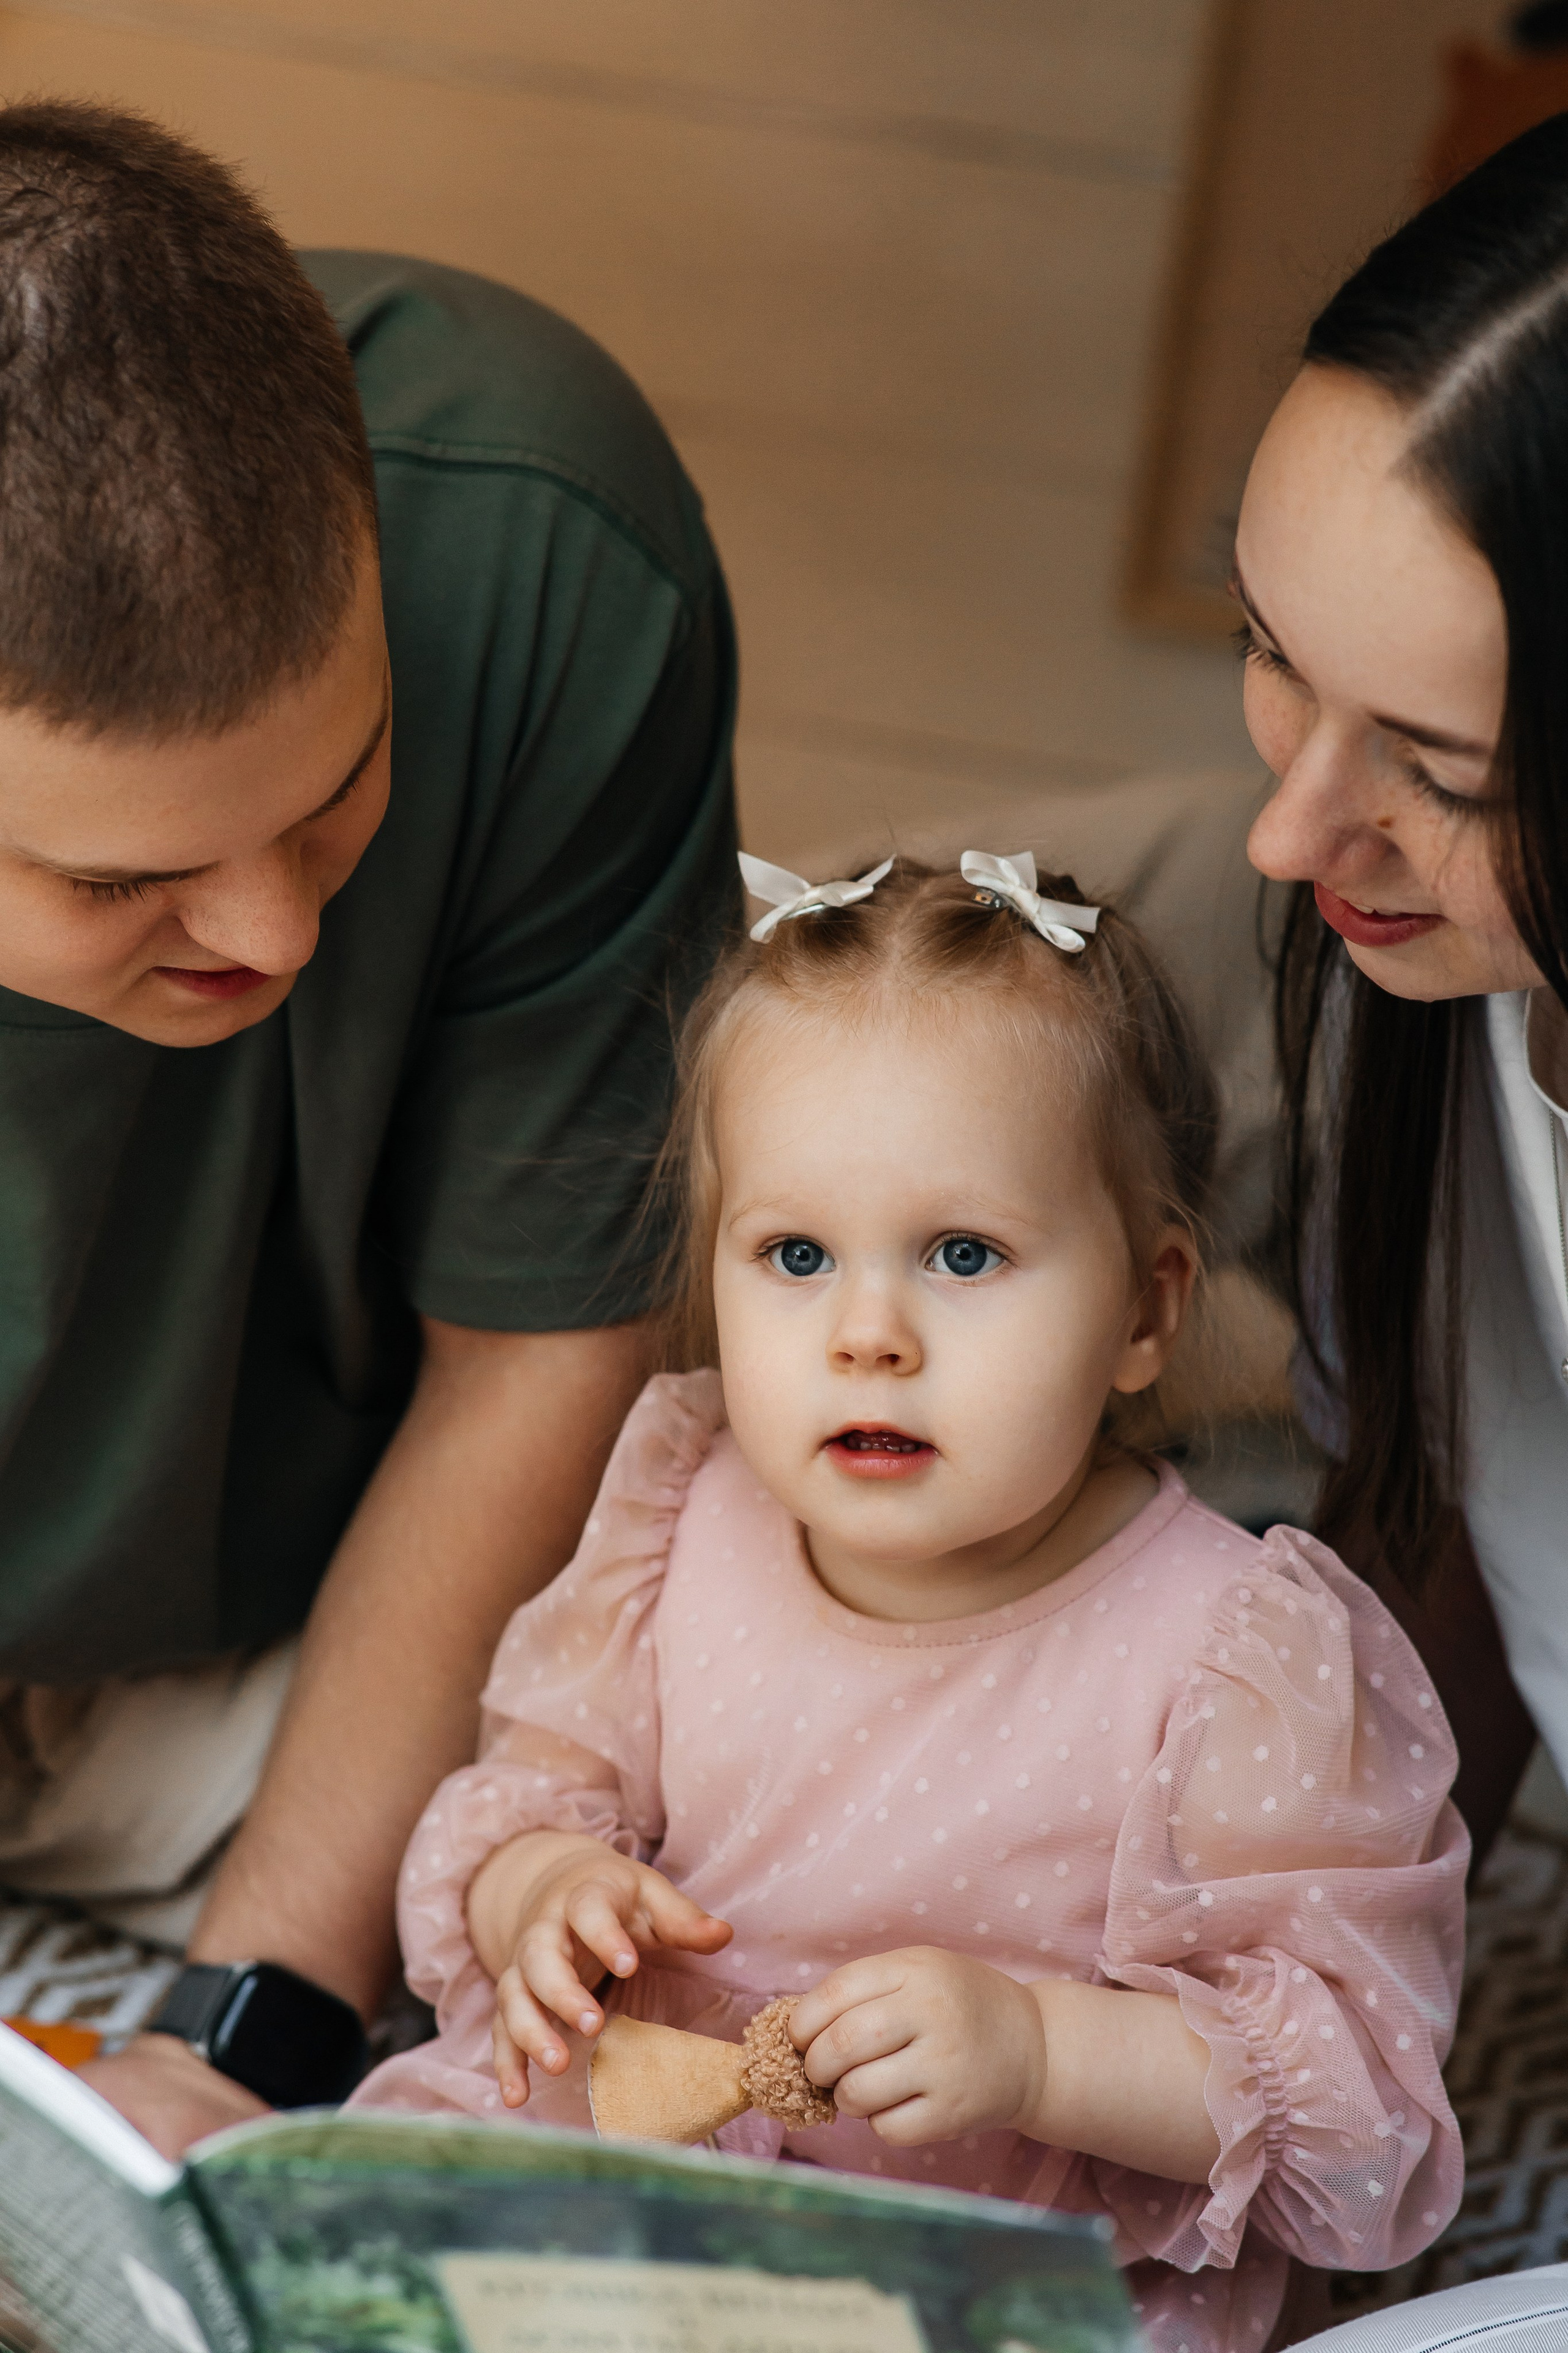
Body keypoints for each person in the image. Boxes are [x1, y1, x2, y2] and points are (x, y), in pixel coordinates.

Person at [353, 853, 1466, 2353]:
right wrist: (540, 1893)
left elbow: (1352, 2112)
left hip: (980, 2259)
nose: (868, 1333)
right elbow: (524, 1793)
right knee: (371, 2252)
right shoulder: (681, 1507)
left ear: (1144, 1307)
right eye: (796, 1255)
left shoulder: (1228, 1647)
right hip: (642, 2181)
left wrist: (1035, 2050)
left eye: (962, 1254)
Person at [0, 102, 735, 2151]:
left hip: (308, 1628)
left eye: (334, 794)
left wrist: (242, 2035)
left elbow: (535, 1359)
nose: (273, 929)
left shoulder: (529, 531)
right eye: (124, 882)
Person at [1234, 113, 1568, 1853]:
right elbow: (1443, 1533)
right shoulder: (1437, 977)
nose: (1291, 839)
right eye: (1270, 656)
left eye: (1442, 774)